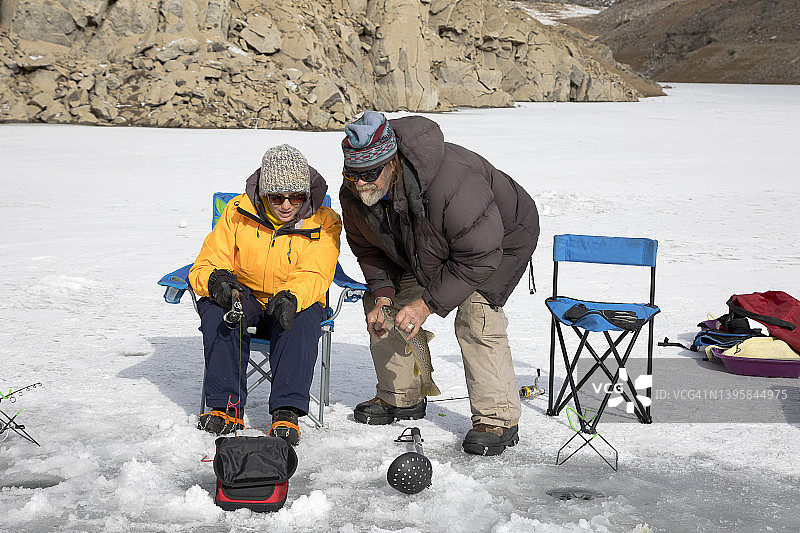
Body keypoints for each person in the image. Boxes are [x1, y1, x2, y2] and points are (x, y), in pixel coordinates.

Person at [339, 111, 540, 456]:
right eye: (352, 174)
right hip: (423, 244)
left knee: (476, 315)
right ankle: (401, 396)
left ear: (392, 163)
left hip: (497, 241)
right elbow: (369, 249)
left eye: (369, 174)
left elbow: (479, 256)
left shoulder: (453, 183)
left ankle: (497, 419)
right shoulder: (356, 193)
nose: (359, 183)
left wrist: (426, 304)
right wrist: (384, 296)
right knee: (383, 305)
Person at [188, 144, 341, 445]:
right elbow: (209, 260)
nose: (286, 205)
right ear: (263, 193)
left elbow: (316, 271)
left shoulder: (325, 221)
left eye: (296, 197)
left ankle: (286, 411)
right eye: (276, 197)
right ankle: (226, 408)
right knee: (217, 309)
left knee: (302, 316)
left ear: (306, 193)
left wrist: (292, 296)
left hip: (294, 294)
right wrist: (217, 281)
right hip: (244, 292)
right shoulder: (237, 211)